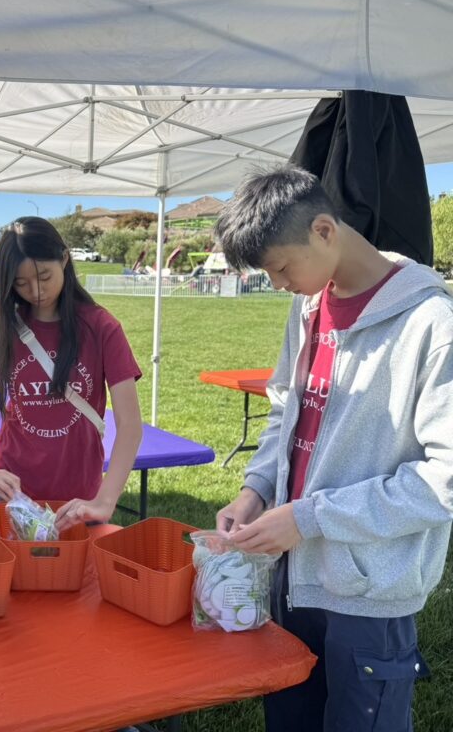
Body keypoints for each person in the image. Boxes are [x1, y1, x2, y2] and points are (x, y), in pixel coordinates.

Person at [213, 164, 453, 732]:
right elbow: (286, 411)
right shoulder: (308, 306)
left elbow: (443, 479)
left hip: (368, 590)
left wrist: (310, 517)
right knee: (290, 716)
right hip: (292, 574)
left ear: (323, 230)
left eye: (280, 268)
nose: (278, 284)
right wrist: (255, 490)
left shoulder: (431, 323)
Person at [0, 217, 144, 532]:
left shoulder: (101, 327)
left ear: (64, 259)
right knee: (10, 567)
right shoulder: (5, 331)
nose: (36, 291)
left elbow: (130, 424)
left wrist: (105, 500)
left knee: (80, 566)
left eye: (44, 276)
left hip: (79, 499)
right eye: (21, 283)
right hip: (12, 496)